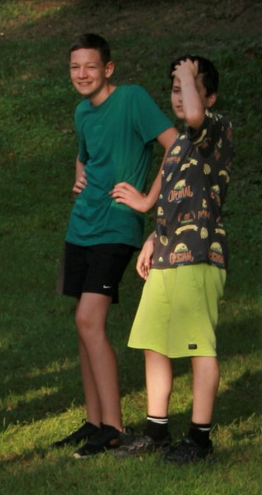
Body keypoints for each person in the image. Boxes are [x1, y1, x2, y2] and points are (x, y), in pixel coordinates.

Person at [52, 33, 177, 458]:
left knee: (90, 320)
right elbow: (84, 155)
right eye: (75, 67)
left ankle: (113, 428)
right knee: (82, 323)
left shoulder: (132, 99)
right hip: (81, 226)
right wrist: (80, 175)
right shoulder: (81, 111)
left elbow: (176, 146)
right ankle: (94, 421)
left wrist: (147, 199)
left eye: (90, 66)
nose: (81, 74)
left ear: (108, 68)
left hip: (116, 226)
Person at [111, 57, 232, 465]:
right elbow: (167, 198)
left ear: (209, 97)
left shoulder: (214, 128)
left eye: (189, 88)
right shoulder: (179, 142)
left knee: (199, 347)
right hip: (166, 254)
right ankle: (156, 431)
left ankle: (200, 439)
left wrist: (185, 71)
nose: (180, 97)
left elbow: (195, 116)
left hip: (199, 255)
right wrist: (151, 233)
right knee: (153, 343)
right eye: (176, 89)